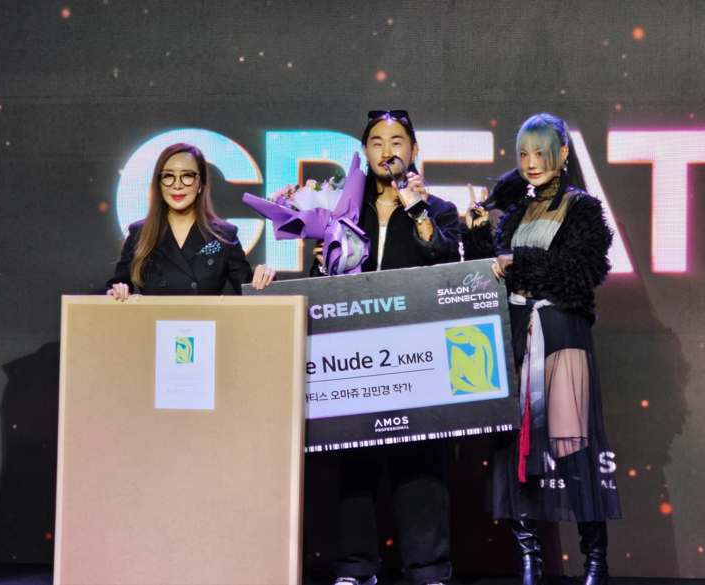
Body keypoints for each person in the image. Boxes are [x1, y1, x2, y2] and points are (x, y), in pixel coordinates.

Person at [461, 113, 621, 585]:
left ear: (563, 153)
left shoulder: (583, 208)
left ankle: (595, 560)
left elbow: (583, 272)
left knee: (572, 444)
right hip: (514, 333)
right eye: (524, 154)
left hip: (561, 331)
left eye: (541, 153)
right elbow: (491, 275)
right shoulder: (515, 210)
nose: (531, 163)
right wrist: (477, 235)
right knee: (515, 445)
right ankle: (529, 558)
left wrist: (520, 262)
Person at [312, 110, 461, 585]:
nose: (387, 150)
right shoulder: (344, 211)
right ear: (364, 152)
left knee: (420, 464)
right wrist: (323, 263)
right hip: (356, 355)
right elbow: (324, 283)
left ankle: (428, 569)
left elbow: (447, 264)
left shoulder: (438, 209)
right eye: (376, 142)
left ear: (413, 151)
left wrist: (417, 210)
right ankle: (356, 567)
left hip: (418, 355)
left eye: (397, 142)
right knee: (355, 460)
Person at [105, 143, 274, 298]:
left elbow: (250, 294)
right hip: (155, 322)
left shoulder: (224, 235)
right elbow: (115, 288)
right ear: (159, 183)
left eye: (187, 176)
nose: (177, 185)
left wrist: (263, 278)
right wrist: (116, 291)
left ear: (201, 183)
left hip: (206, 321)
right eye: (168, 176)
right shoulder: (140, 234)